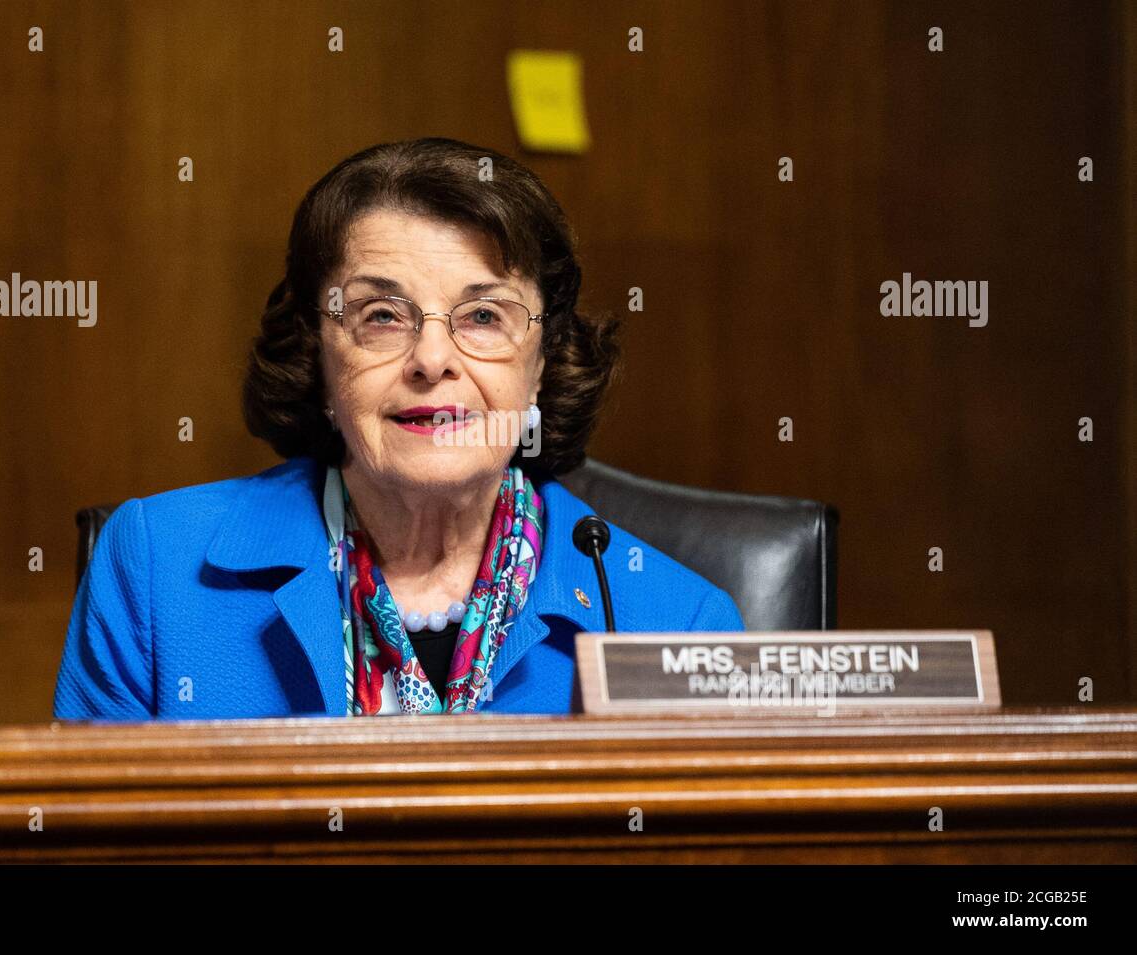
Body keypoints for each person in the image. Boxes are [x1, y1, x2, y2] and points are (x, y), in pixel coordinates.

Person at [53, 137, 743, 720]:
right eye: (381, 316)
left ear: (541, 366)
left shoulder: (673, 622)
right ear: (319, 358)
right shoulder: (156, 573)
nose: (432, 360)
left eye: (483, 317)